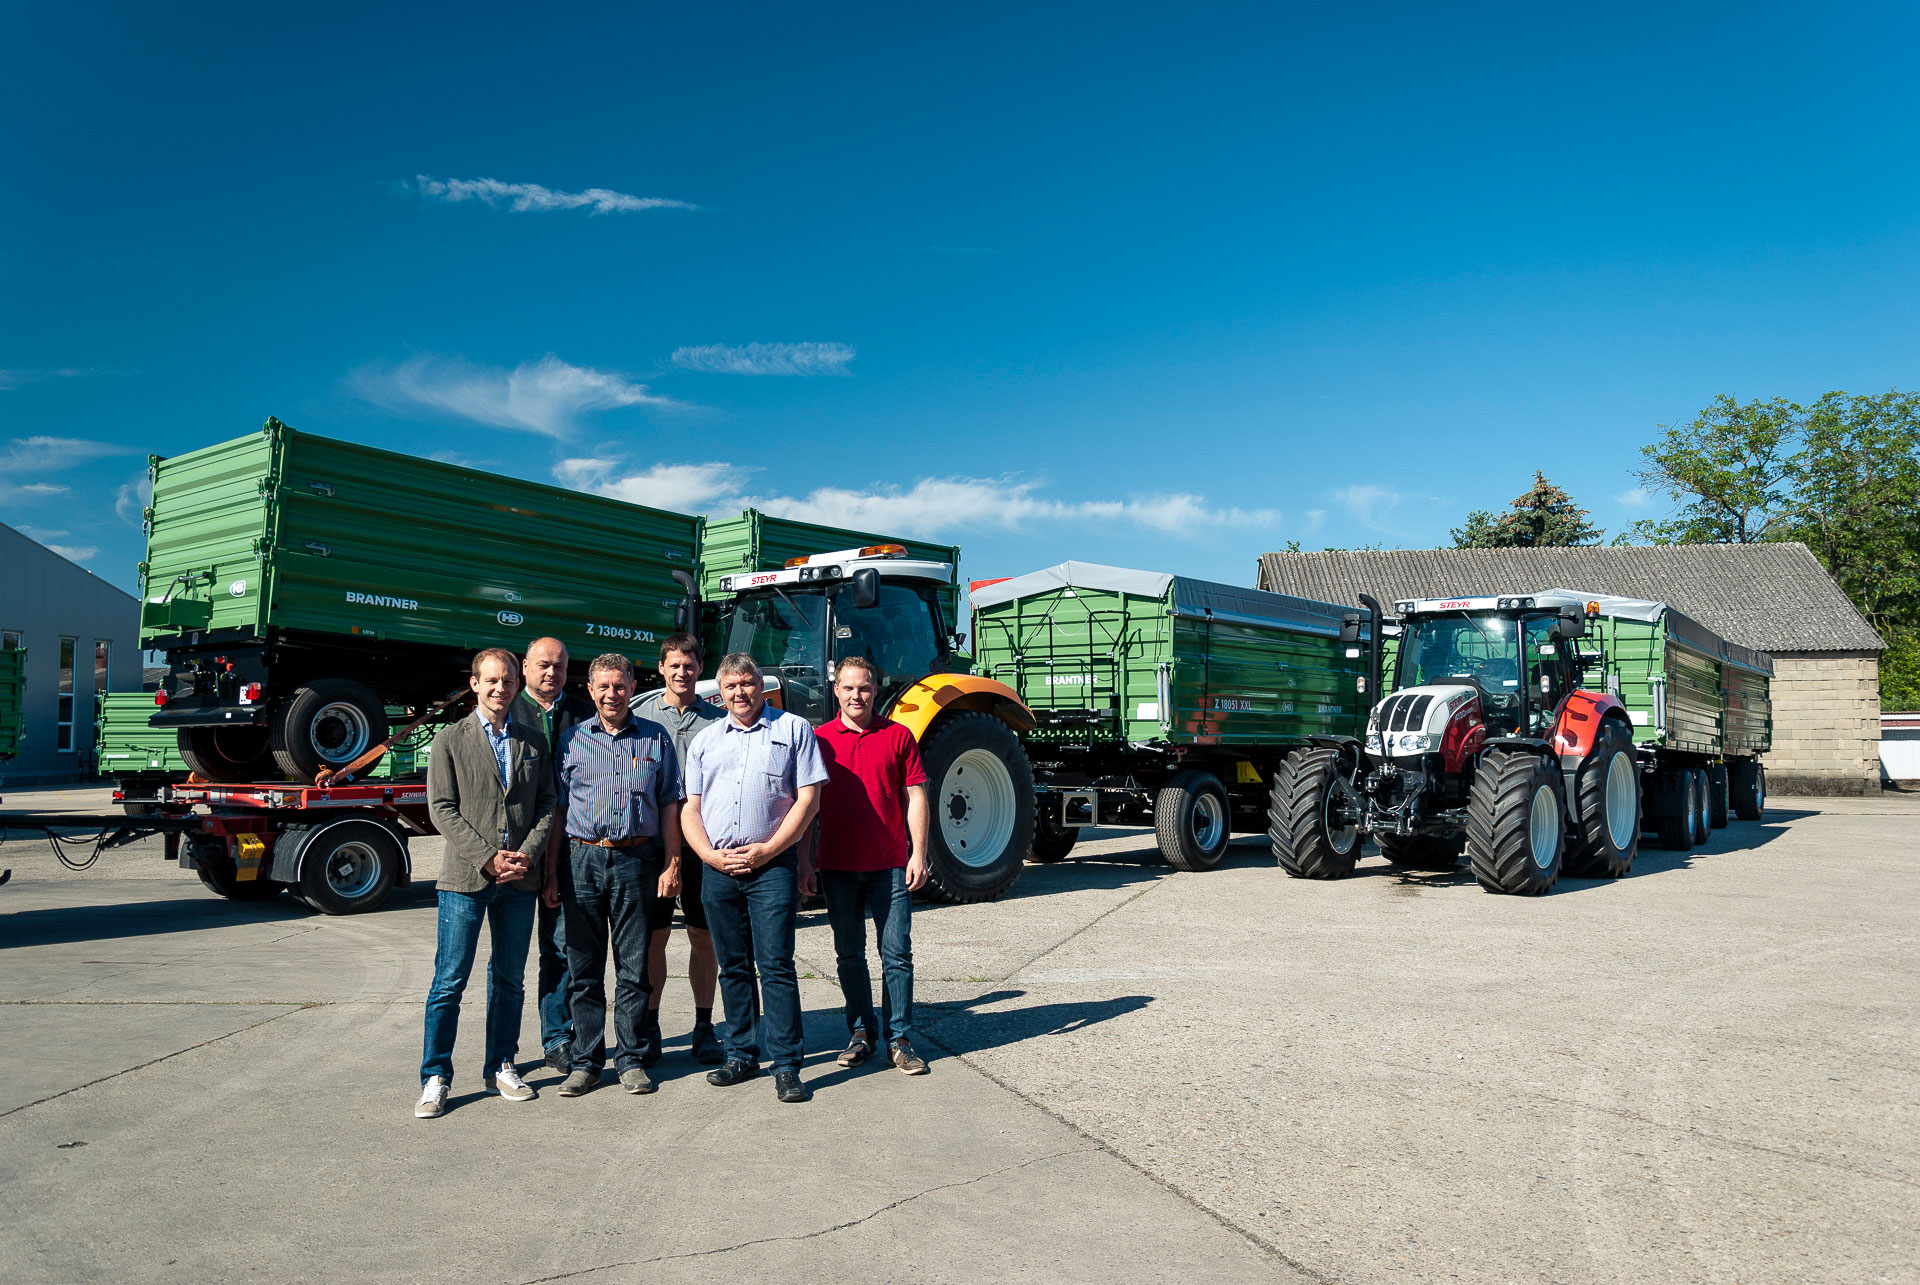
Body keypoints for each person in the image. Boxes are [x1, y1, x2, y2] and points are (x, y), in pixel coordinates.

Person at [681, 653, 828, 1104]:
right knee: (734, 965)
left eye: (747, 684)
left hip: (771, 866)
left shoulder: (792, 730)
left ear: (761, 687)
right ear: (719, 693)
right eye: (731, 687)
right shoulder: (705, 741)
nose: (740, 693)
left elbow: (808, 801)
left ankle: (786, 1064)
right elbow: (691, 807)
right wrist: (708, 856)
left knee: (777, 965)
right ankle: (741, 1053)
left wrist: (769, 850)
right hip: (718, 867)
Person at [417, 648, 556, 1119]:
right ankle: (436, 1076)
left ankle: (501, 1064)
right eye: (492, 680)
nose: (501, 688)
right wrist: (487, 858)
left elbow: (547, 804)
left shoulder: (534, 741)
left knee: (510, 981)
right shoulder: (450, 740)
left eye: (509, 680)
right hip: (465, 880)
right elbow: (441, 808)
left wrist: (527, 854)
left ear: (518, 685)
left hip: (518, 879)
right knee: (449, 982)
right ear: (474, 684)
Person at [548, 652, 683, 1097]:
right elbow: (558, 811)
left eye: (620, 685)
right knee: (583, 968)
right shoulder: (570, 741)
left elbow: (669, 805)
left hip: (635, 861)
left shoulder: (655, 737)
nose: (612, 694)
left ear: (632, 687)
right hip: (581, 860)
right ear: (590, 691)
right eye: (603, 687)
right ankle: (586, 1062)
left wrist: (672, 863)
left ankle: (631, 1059)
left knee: (633, 967)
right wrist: (551, 874)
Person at [810, 655, 932, 1075]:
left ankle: (899, 1039)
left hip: (889, 864)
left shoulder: (899, 736)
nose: (856, 695)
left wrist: (918, 853)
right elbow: (807, 805)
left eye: (864, 687)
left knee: (896, 954)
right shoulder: (819, 739)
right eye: (848, 688)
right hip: (837, 865)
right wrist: (808, 861)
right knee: (849, 955)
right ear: (836, 691)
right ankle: (861, 1032)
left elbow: (916, 796)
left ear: (875, 690)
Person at [631, 633, 725, 1066]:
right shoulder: (641, 717)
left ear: (698, 669)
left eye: (689, 665)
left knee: (703, 936)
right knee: (655, 937)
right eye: (673, 665)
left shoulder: (718, 720)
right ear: (661, 668)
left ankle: (704, 1026)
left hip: (704, 844)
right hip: (653, 845)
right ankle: (650, 1025)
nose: (681, 672)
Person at [515, 636, 595, 1073]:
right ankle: (503, 1050)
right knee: (507, 959)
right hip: (509, 854)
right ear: (524, 666)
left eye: (560, 667)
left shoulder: (583, 715)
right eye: (543, 665)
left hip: (566, 853)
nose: (551, 673)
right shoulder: (507, 710)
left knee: (561, 949)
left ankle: (558, 1038)